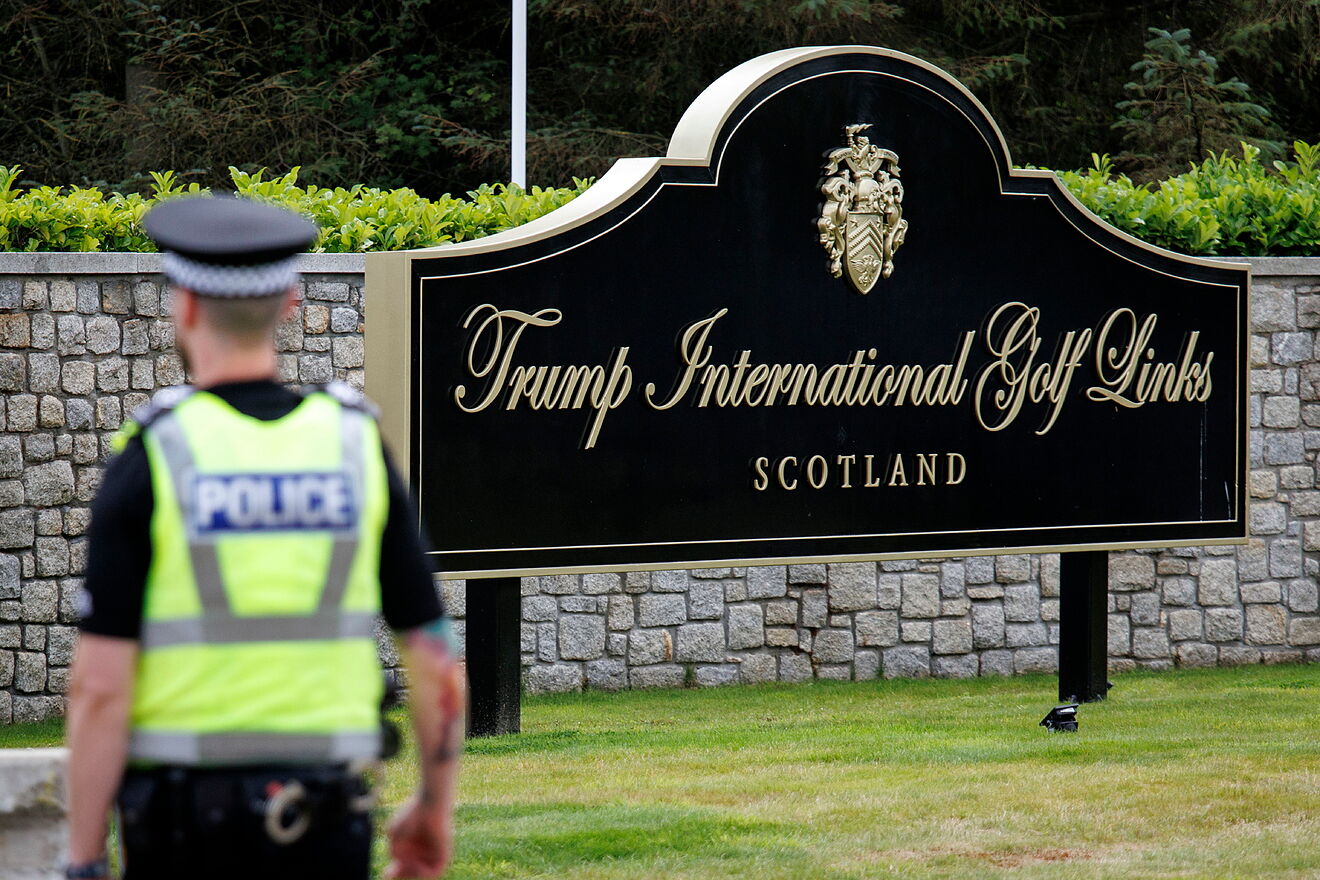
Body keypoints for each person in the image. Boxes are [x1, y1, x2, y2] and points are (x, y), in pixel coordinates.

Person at [63, 195, 466, 880]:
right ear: (291, 301)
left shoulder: (153, 455)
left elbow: (100, 687)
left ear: (183, 305)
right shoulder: (353, 444)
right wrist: (432, 805)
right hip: (323, 819)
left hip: (181, 825)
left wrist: (82, 858)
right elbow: (432, 656)